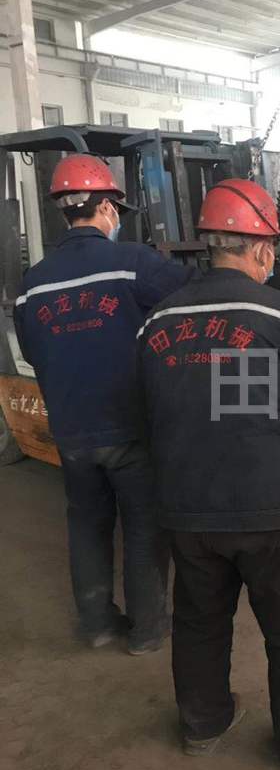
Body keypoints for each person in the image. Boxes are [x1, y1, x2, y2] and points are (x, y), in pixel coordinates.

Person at [137, 178, 280, 770]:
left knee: (199, 622)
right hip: (271, 508)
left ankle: (203, 725)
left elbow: (145, 405)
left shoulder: (156, 322)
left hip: (187, 506)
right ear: (262, 249)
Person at [13, 154, 192, 654]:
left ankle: (96, 625)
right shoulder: (133, 263)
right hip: (129, 427)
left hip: (71, 431)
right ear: (108, 208)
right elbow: (192, 300)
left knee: (87, 526)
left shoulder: (32, 284)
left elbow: (34, 353)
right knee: (143, 527)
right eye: (115, 208)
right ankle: (148, 630)